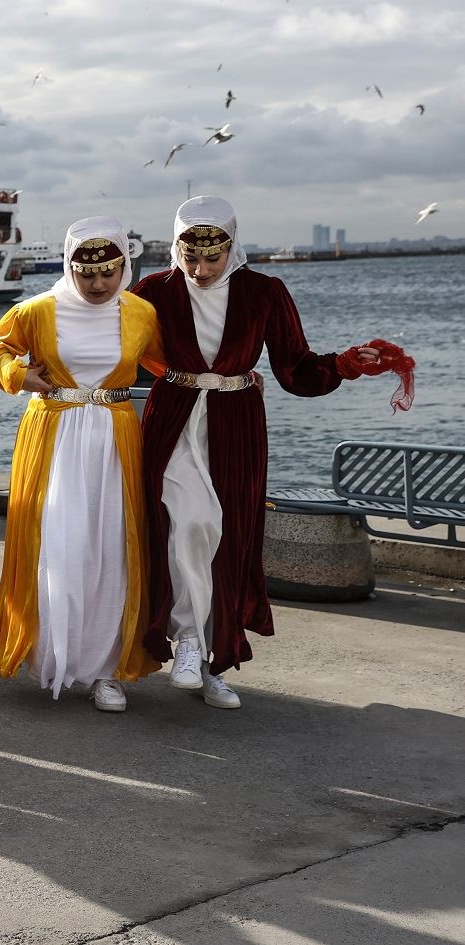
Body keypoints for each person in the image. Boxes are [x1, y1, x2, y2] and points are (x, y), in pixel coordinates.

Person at [132, 196, 381, 709]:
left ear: (232, 246)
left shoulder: (264, 292)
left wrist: (349, 364)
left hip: (236, 426)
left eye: (211, 259)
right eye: (189, 258)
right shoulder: (152, 291)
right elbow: (114, 348)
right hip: (173, 421)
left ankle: (214, 663)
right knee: (188, 525)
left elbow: (295, 368)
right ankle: (188, 640)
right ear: (176, 246)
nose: (199, 270)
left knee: (228, 541)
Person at [0, 217, 164, 712]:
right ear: (70, 267)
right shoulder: (37, 311)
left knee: (111, 551)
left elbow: (176, 367)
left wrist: (235, 377)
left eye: (109, 272)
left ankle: (107, 670)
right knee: (58, 546)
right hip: (55, 435)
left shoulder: (142, 314)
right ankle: (55, 657)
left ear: (124, 266)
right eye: (88, 274)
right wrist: (20, 373)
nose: (99, 283)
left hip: (115, 438)